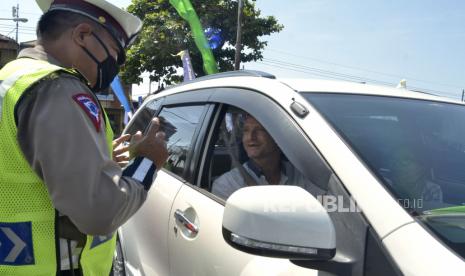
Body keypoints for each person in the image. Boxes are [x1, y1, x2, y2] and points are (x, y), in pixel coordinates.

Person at [0, 1, 168, 275]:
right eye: (115, 53)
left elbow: (18, 160)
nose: (115, 65)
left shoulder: (12, 78)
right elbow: (99, 211)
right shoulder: (57, 88)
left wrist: (98, 157)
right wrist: (149, 161)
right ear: (82, 35)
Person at [212, 114, 323, 199]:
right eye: (246, 131)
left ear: (278, 137)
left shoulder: (302, 175)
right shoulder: (228, 185)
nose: (251, 137)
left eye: (260, 130)